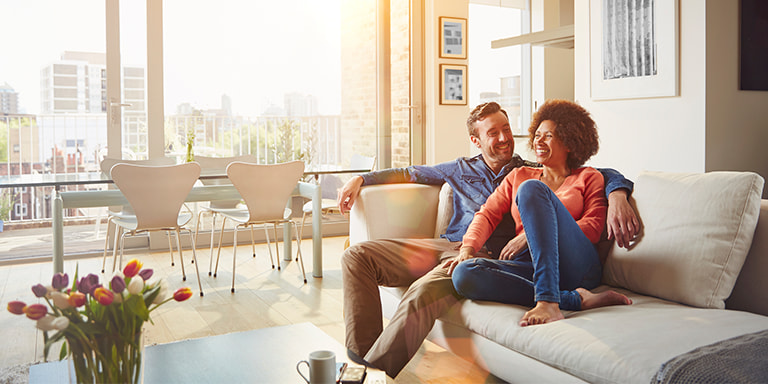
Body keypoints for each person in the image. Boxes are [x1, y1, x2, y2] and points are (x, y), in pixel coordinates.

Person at [337, 101, 639, 378]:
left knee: (426, 288)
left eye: (507, 129)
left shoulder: (540, 171)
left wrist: (619, 192)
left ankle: (370, 375)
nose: (505, 138)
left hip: (497, 253)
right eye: (493, 133)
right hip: (455, 245)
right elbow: (422, 178)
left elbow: (601, 176)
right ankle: (358, 363)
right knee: (356, 256)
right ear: (476, 141)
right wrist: (361, 178)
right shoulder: (488, 171)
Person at [451, 99, 632, 328]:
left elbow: (593, 228)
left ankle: (547, 301)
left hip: (575, 266)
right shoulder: (519, 175)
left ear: (568, 142)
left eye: (548, 136)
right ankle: (575, 299)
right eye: (537, 135)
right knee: (464, 274)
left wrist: (531, 235)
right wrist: (468, 249)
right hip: (532, 265)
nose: (538, 141)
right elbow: (487, 214)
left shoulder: (588, 177)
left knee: (532, 189)